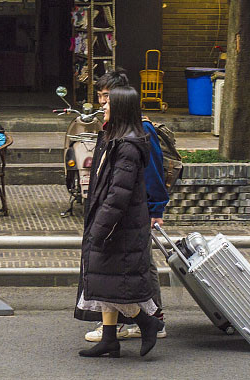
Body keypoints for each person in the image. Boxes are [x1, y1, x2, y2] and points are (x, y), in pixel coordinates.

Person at [76, 68, 169, 343]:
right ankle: (114, 328)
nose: (102, 103)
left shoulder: (138, 133)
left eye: (107, 97)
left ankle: (153, 320)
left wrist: (156, 210)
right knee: (119, 268)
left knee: (139, 267)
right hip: (121, 214)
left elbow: (150, 174)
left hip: (134, 215)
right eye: (101, 97)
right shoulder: (115, 130)